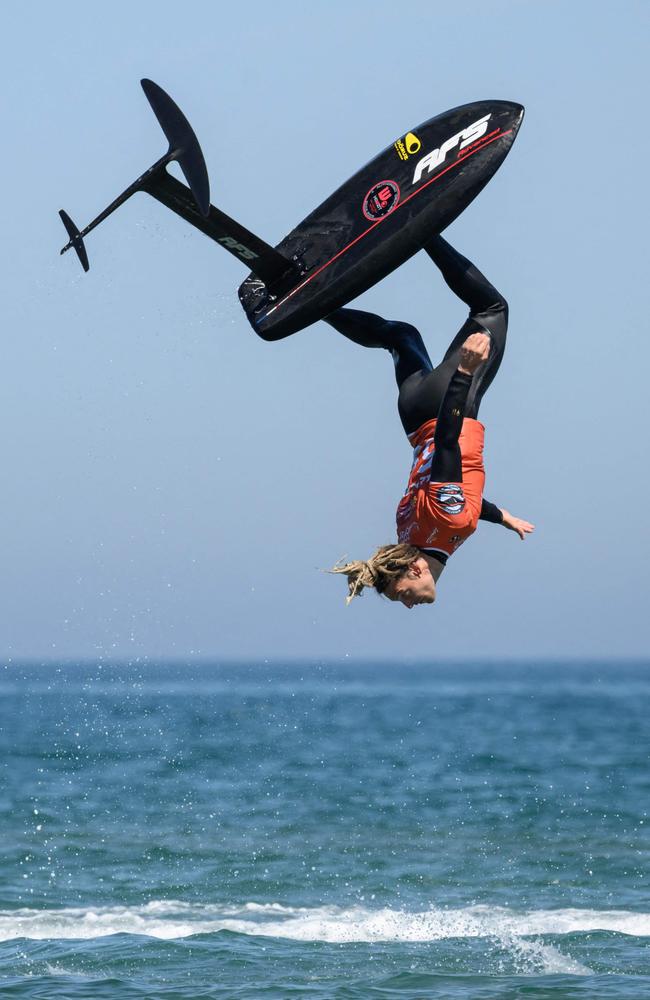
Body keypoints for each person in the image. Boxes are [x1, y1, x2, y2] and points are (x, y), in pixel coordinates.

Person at [326, 234, 534, 608]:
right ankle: (322, 308)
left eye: (402, 595)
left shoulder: (450, 521)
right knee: (401, 336)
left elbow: (449, 447)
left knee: (491, 308)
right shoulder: (409, 529)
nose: (408, 605)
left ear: (415, 571)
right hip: (412, 414)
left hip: (447, 408)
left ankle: (421, 231)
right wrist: (503, 517)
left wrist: (465, 373)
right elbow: (458, 495)